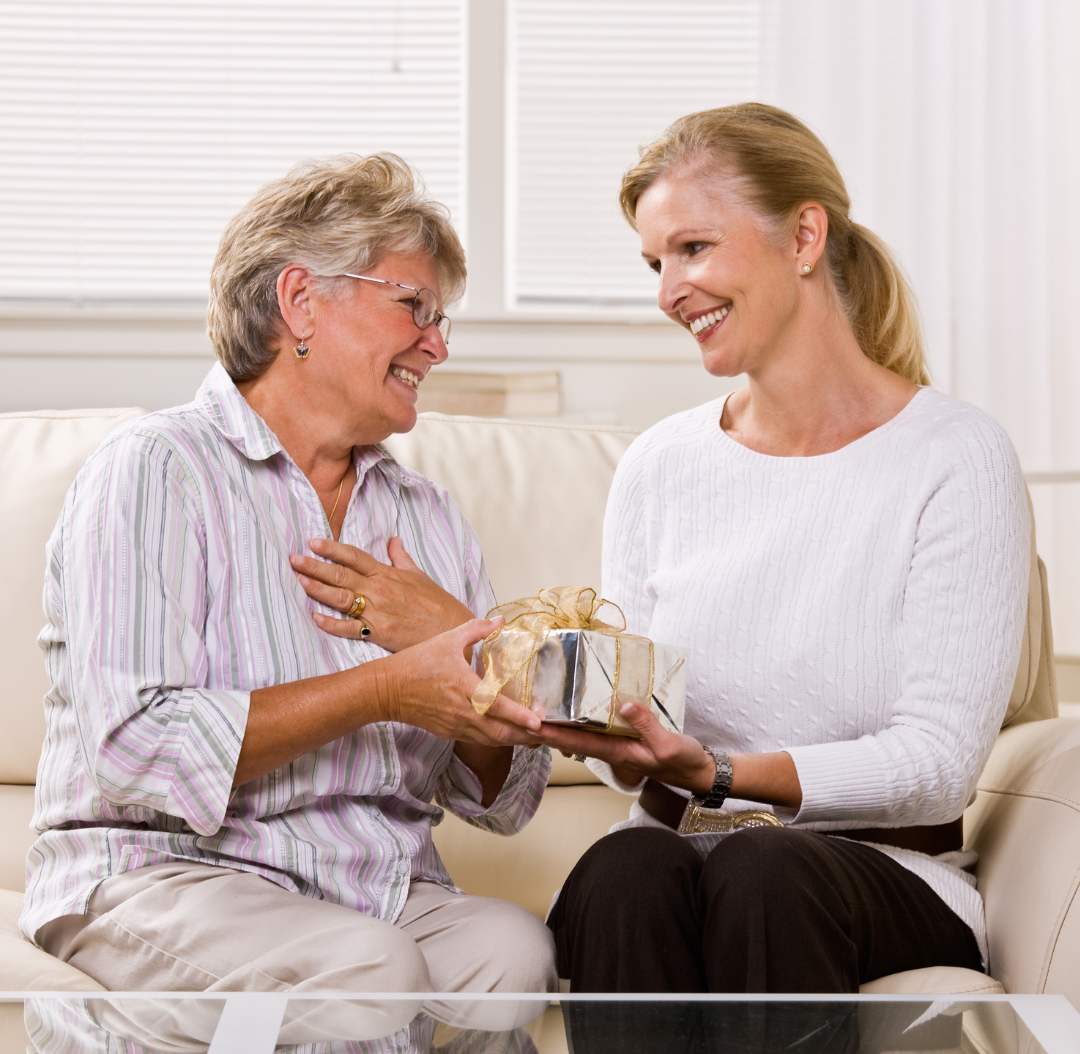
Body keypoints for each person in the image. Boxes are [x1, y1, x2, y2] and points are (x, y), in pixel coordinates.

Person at [21, 153, 556, 1031]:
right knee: (368, 968)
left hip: (373, 884)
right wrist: (386, 686)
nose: (439, 344)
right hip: (168, 874)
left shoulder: (427, 516)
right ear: (302, 301)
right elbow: (135, 744)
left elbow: (502, 798)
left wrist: (473, 650)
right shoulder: (157, 470)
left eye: (444, 319)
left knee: (511, 955)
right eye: (414, 307)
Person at [537, 104, 1031, 995]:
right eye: (656, 263)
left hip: (873, 876)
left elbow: (938, 766)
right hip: (679, 854)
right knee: (620, 872)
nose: (666, 292)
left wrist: (722, 774)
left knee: (763, 875)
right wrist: (611, 736)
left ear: (804, 235)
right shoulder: (659, 466)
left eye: (692, 249)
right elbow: (638, 753)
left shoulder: (956, 457)